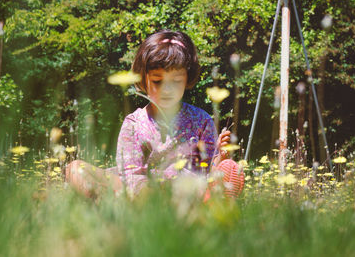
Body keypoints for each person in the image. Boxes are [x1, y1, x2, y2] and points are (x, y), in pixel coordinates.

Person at [65, 30, 243, 198]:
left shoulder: (201, 120)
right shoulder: (134, 124)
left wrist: (220, 156)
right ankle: (118, 210)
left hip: (186, 192)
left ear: (187, 78)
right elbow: (130, 174)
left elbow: (206, 173)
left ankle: (212, 203)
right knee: (76, 168)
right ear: (143, 79)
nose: (167, 89)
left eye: (176, 81)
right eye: (158, 81)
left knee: (223, 172)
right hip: (141, 193)